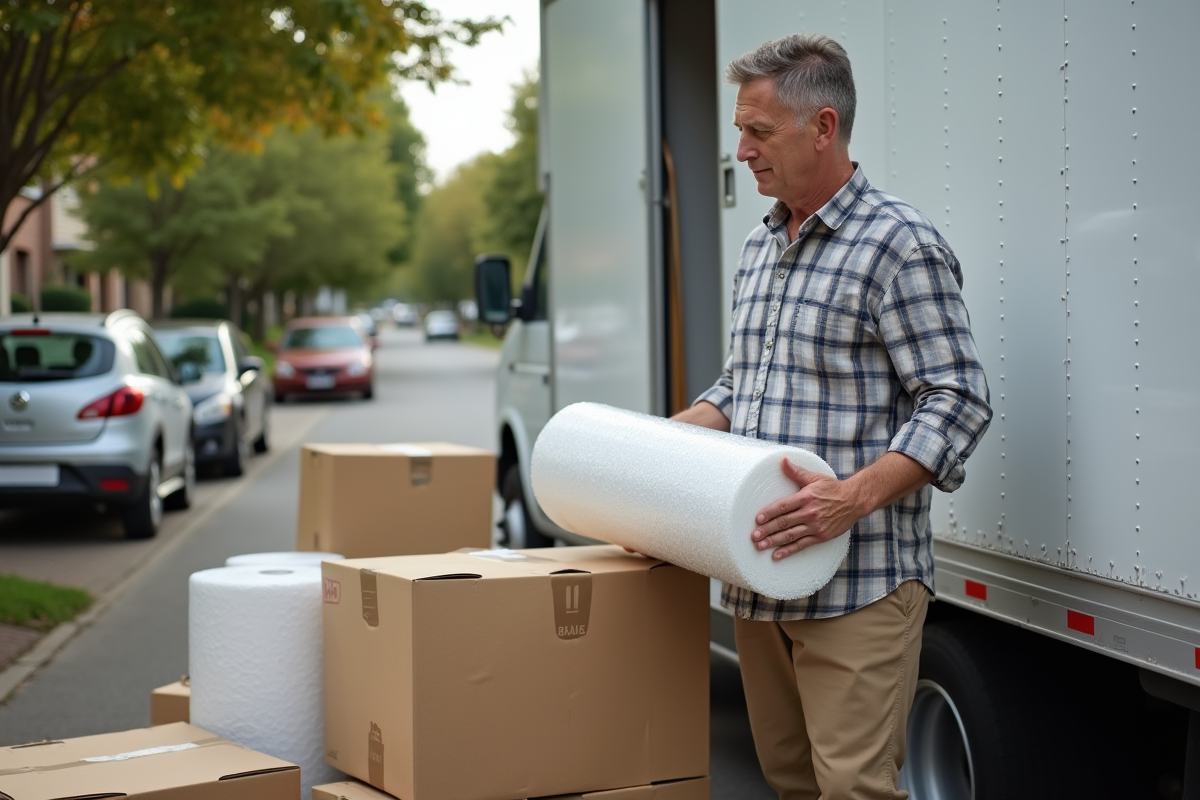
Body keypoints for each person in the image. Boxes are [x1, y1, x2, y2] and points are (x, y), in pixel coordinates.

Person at [672, 34, 992, 799]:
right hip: (758, 578)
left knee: (852, 789)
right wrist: (664, 443)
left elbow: (957, 396)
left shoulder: (899, 244)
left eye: (758, 130)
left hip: (860, 584)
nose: (740, 150)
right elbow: (744, 383)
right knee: (791, 782)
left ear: (823, 126)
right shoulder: (760, 245)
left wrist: (849, 498)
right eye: (738, 129)